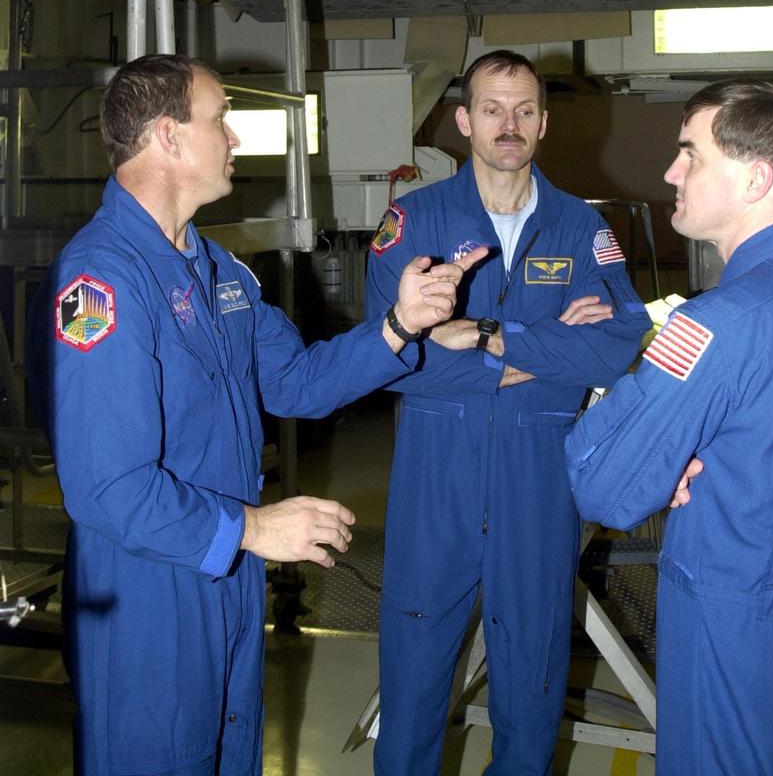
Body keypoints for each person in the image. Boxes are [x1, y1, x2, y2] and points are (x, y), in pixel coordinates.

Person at [25, 54, 486, 776]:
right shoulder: (100, 283)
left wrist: (399, 325)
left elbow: (297, 382)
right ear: (169, 136)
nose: (234, 138)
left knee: (230, 749)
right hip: (147, 590)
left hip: (226, 568)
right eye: (220, 119)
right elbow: (108, 488)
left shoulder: (218, 271)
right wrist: (253, 528)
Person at [366, 49, 651, 775]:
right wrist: (551, 351)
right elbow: (385, 355)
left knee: (533, 665)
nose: (509, 124)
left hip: (539, 472)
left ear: (544, 123)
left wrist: (492, 337)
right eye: (491, 109)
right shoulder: (414, 221)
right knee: (414, 665)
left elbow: (616, 345)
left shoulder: (579, 228)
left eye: (524, 110)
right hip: (435, 469)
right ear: (464, 121)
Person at [565, 78, 773, 776]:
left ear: (755, 180)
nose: (670, 172)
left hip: (733, 626)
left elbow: (603, 486)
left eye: (690, 154)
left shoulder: (716, 323)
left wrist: (640, 411)